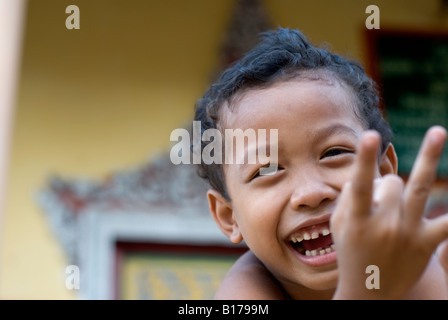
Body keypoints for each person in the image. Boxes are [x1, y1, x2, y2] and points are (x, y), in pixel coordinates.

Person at [193, 27, 448, 299]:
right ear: (228, 216)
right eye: (266, 170)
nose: (311, 193)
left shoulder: (417, 262)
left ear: (384, 171)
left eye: (334, 153)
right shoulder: (245, 294)